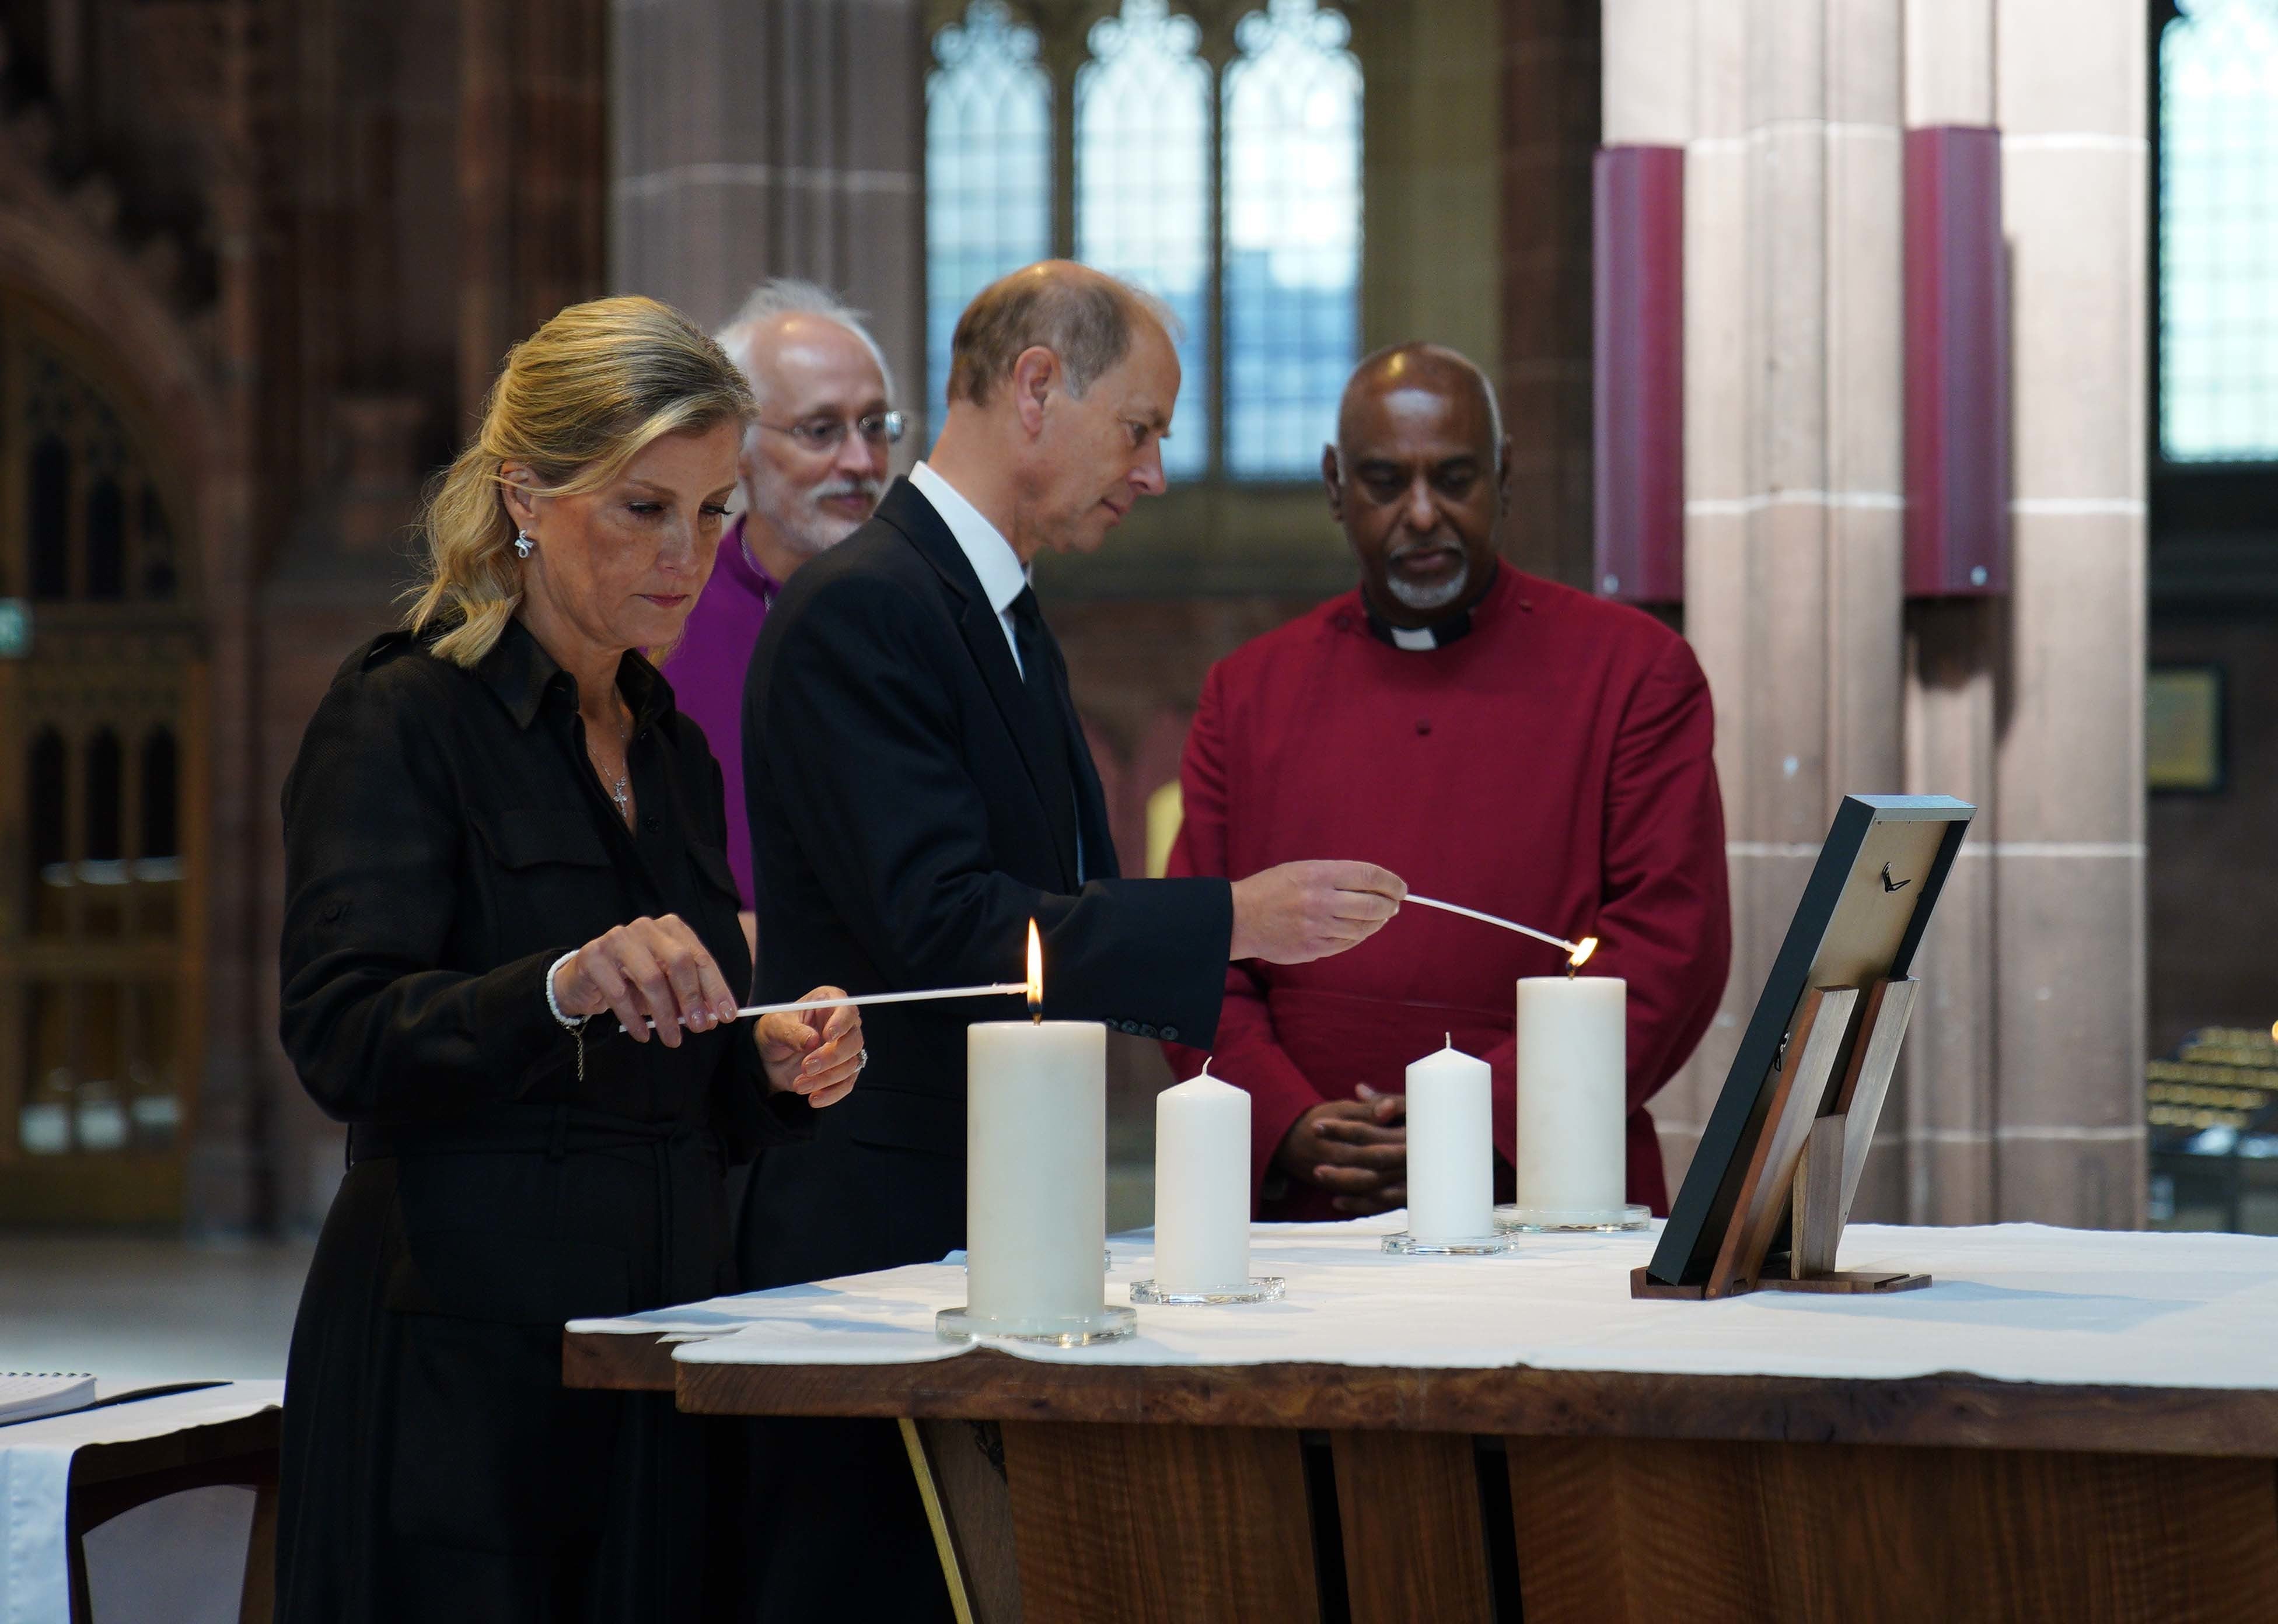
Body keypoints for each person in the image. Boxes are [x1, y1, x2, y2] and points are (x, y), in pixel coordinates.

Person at [735, 261, 1407, 1620]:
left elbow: (1058, 893)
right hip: (873, 1218)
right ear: (1037, 385)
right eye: (1140, 427)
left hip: (986, 1205)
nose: (1152, 471)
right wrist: (1237, 914)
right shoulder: (865, 605)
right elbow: (940, 924)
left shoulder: (1003, 616)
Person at [274, 295, 867, 1623]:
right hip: (459, 1360)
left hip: (657, 1345)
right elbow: (337, 1033)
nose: (688, 554)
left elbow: (677, 1079)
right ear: (522, 496)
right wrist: (555, 984)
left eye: (715, 509)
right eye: (642, 506)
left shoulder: (672, 747)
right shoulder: (403, 714)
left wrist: (767, 1059)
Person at [1165, 342, 1730, 1221]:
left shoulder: (1634, 674)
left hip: (1546, 1186)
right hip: (1313, 1202)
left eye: (1455, 478)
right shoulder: (1248, 692)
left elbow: (1668, 950)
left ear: (1503, 479)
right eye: (1386, 482)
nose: (1422, 514)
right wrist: (1283, 1119)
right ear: (1333, 486)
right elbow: (1195, 952)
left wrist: (1477, 1121)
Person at [659, 279, 900, 930]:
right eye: (820, 431)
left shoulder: (923, 617)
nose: (860, 461)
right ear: (737, 451)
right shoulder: (664, 619)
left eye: (875, 427)